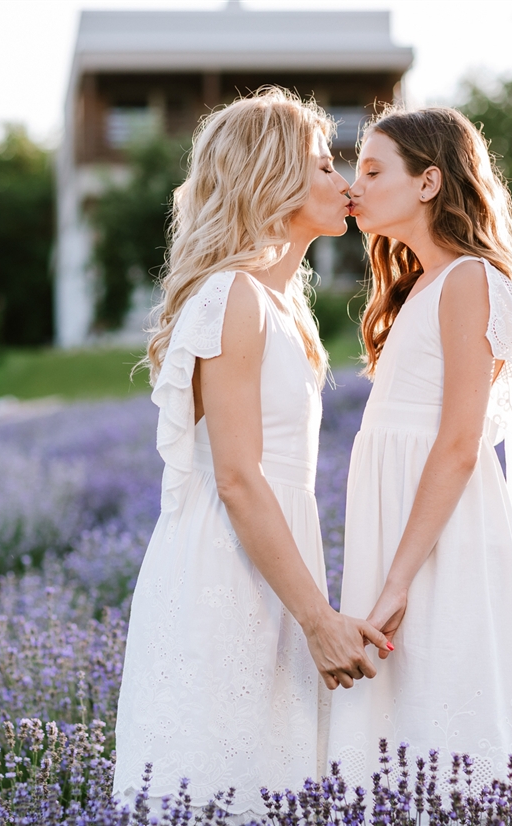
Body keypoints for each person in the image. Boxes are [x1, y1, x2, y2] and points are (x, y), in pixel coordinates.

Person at [112, 88, 390, 819]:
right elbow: (236, 478)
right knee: (222, 782)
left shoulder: (276, 303)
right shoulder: (232, 297)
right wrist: (319, 620)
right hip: (228, 569)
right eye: (322, 166)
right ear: (272, 180)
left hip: (270, 559)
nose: (343, 181)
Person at [326, 107, 512, 798]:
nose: (352, 186)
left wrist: (397, 580)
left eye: (371, 170)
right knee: (400, 719)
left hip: (441, 534)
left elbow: (459, 443)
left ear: (428, 182)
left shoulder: (470, 281)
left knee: (445, 706)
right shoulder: (418, 286)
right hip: (403, 525)